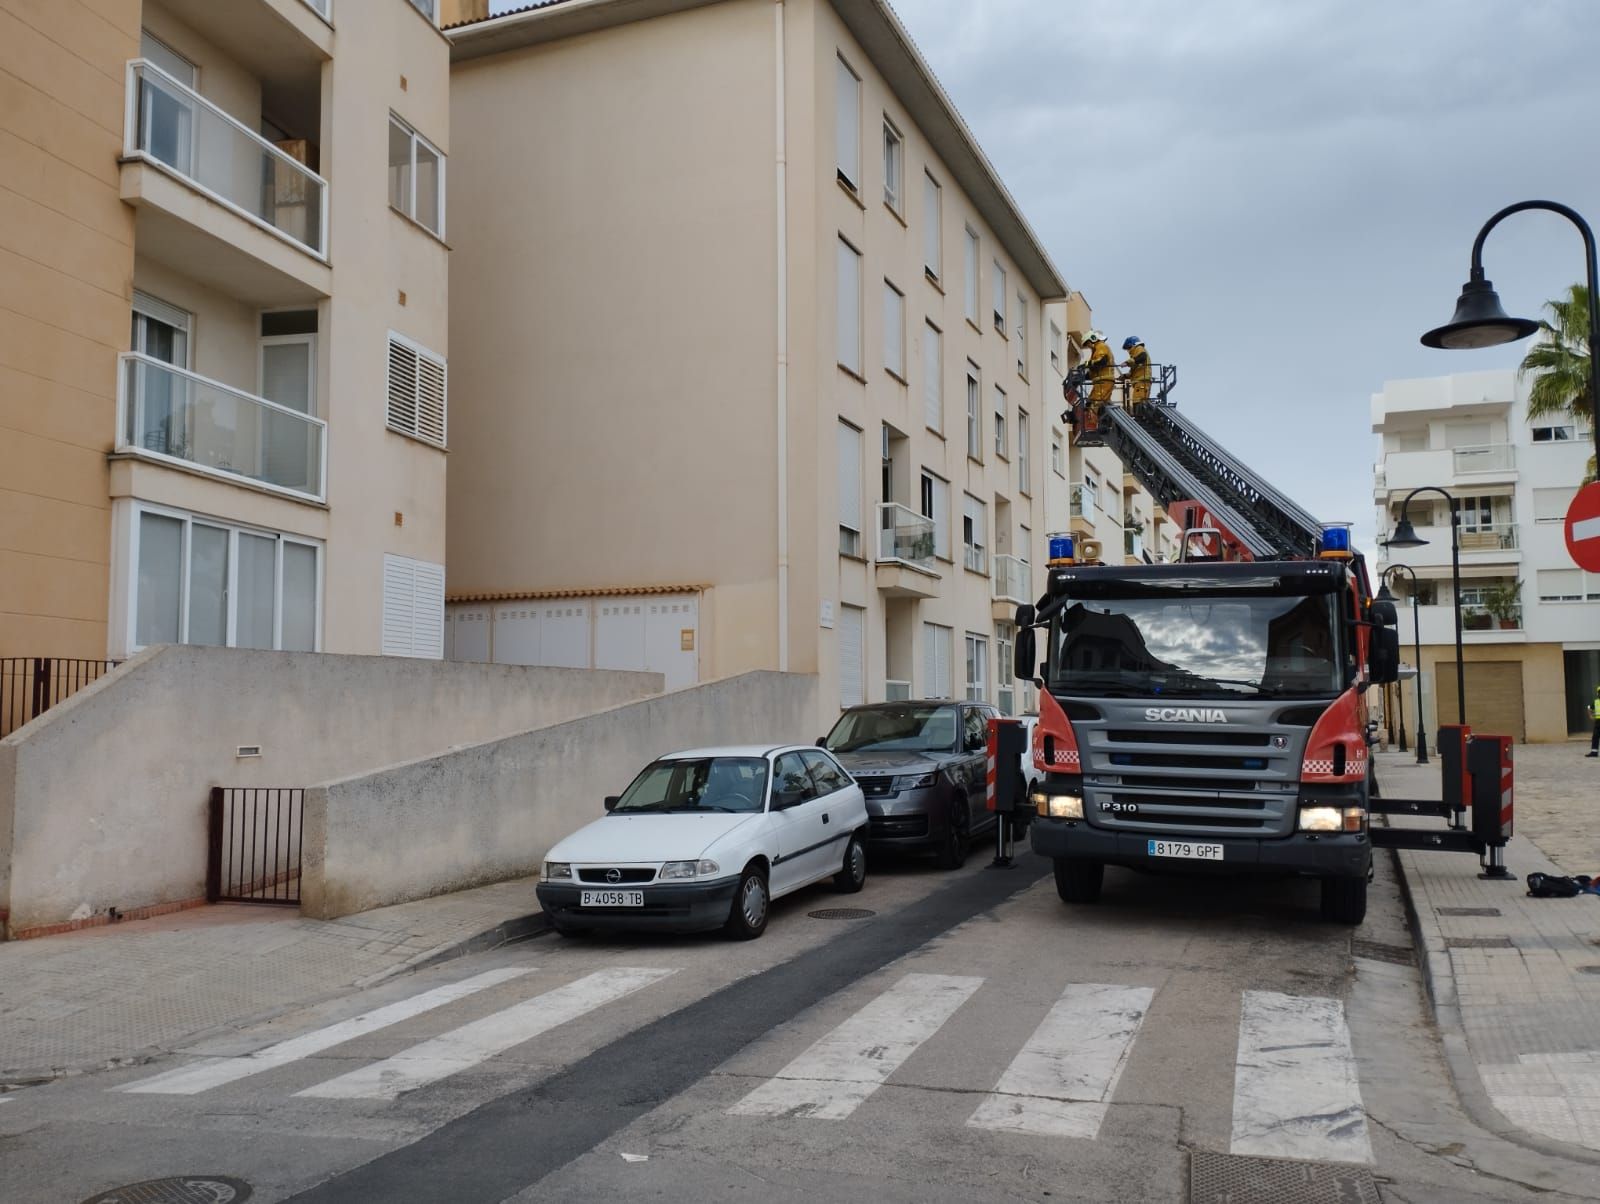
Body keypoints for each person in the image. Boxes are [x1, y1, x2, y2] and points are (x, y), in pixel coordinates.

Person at [1084, 330, 1115, 416]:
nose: (1088, 346)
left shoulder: (1101, 346)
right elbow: (1095, 369)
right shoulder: (1097, 350)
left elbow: (1101, 362)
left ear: (1092, 339)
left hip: (1104, 381)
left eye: (1087, 343)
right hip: (1101, 381)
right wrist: (1084, 376)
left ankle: (1093, 420)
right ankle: (1101, 419)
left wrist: (1086, 364)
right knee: (1090, 401)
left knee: (1095, 403)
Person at [1121, 335, 1152, 406]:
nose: (1128, 351)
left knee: (1138, 402)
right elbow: (1133, 371)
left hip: (1142, 380)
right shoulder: (1136, 358)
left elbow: (1142, 357)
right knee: (1138, 402)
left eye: (1128, 348)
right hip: (1141, 381)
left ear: (1132, 345)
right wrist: (1124, 376)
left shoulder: (1139, 348)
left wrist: (1127, 363)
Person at [1588, 685, 1599, 757]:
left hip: (1597, 722)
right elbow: (1589, 708)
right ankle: (1594, 752)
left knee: (1595, 736)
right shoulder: (1596, 702)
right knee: (1595, 736)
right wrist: (1590, 716)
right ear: (1598, 693)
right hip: (1598, 722)